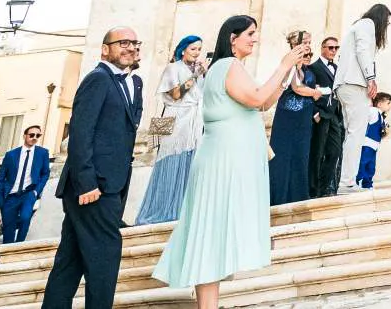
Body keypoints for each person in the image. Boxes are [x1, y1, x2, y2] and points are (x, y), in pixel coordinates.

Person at [152, 16, 309, 308]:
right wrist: (282, 65)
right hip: (222, 162)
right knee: (210, 233)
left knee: (212, 235)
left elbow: (264, 102)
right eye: (250, 33)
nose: (255, 38)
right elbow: (256, 98)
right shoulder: (227, 65)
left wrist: (286, 75)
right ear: (232, 38)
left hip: (225, 159)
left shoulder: (228, 68)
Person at [42, 27, 142, 309]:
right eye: (123, 42)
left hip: (111, 184)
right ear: (105, 49)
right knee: (105, 259)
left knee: (69, 263)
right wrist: (87, 183)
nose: (130, 47)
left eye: (134, 43)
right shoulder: (97, 79)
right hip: (93, 187)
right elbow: (81, 132)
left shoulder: (132, 83)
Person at [136, 36, 207, 224]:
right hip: (177, 121)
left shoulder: (198, 72)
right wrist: (195, 76)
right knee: (171, 161)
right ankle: (162, 209)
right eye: (193, 49)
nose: (197, 53)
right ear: (183, 50)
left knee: (190, 162)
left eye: (199, 49)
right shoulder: (172, 69)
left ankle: (184, 209)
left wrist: (204, 74)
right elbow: (176, 94)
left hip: (195, 122)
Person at [336, 4, 389, 191]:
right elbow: (363, 51)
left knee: (351, 134)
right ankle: (346, 181)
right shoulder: (367, 24)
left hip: (346, 84)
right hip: (354, 84)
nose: (386, 26)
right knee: (356, 134)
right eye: (387, 22)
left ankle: (343, 179)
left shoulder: (357, 25)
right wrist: (371, 78)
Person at [266, 32, 323, 205]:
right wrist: (314, 92)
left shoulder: (306, 67)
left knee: (301, 155)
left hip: (303, 119)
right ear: (294, 44)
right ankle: (279, 196)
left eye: (309, 42)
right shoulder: (289, 65)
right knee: (283, 155)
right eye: (304, 42)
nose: (308, 45)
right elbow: (296, 87)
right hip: (287, 118)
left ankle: (298, 195)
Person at [0, 124, 50, 245]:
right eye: (31, 135)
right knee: (8, 229)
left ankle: (19, 245)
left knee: (25, 217)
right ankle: (7, 255)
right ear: (24, 136)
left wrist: (36, 191)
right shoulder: (11, 155)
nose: (34, 137)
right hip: (10, 196)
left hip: (29, 193)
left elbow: (45, 174)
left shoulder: (42, 153)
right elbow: (1, 178)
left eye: (37, 135)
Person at [307, 36, 346, 199]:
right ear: (323, 48)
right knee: (318, 152)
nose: (334, 51)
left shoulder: (338, 68)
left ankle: (324, 188)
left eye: (336, 48)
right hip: (321, 115)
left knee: (334, 151)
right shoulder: (313, 67)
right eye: (330, 47)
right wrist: (315, 112)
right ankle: (313, 190)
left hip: (335, 116)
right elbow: (309, 90)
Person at [354, 93, 391, 188]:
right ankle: (357, 181)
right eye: (388, 103)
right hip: (367, 143)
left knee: (371, 166)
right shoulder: (373, 111)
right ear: (379, 104)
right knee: (363, 163)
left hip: (374, 145)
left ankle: (367, 184)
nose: (390, 106)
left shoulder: (381, 116)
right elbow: (363, 119)